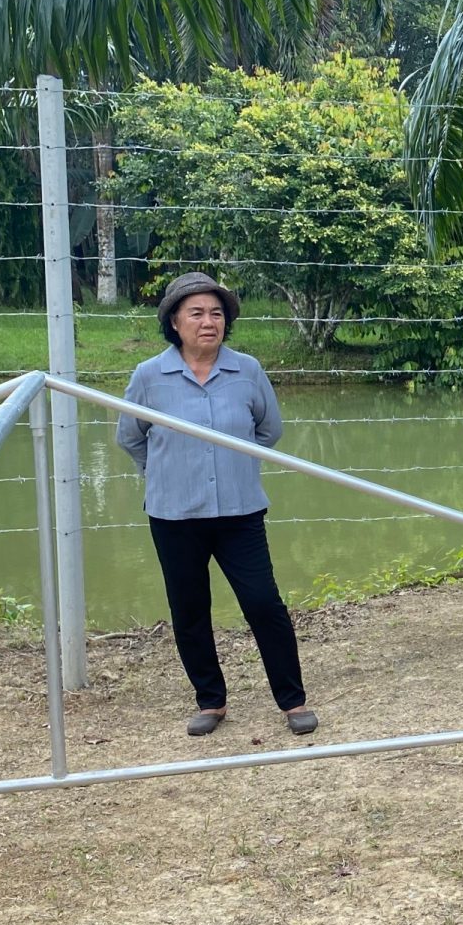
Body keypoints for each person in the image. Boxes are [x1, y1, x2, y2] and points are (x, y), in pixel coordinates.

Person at [117, 271, 317, 737]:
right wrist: (167, 473)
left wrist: (232, 466)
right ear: (174, 321)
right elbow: (131, 438)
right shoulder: (149, 376)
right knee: (189, 610)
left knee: (263, 603)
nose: (209, 322)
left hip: (240, 513)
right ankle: (211, 701)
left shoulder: (247, 370)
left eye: (217, 313)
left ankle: (293, 700)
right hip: (174, 515)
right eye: (196, 313)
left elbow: (268, 431)